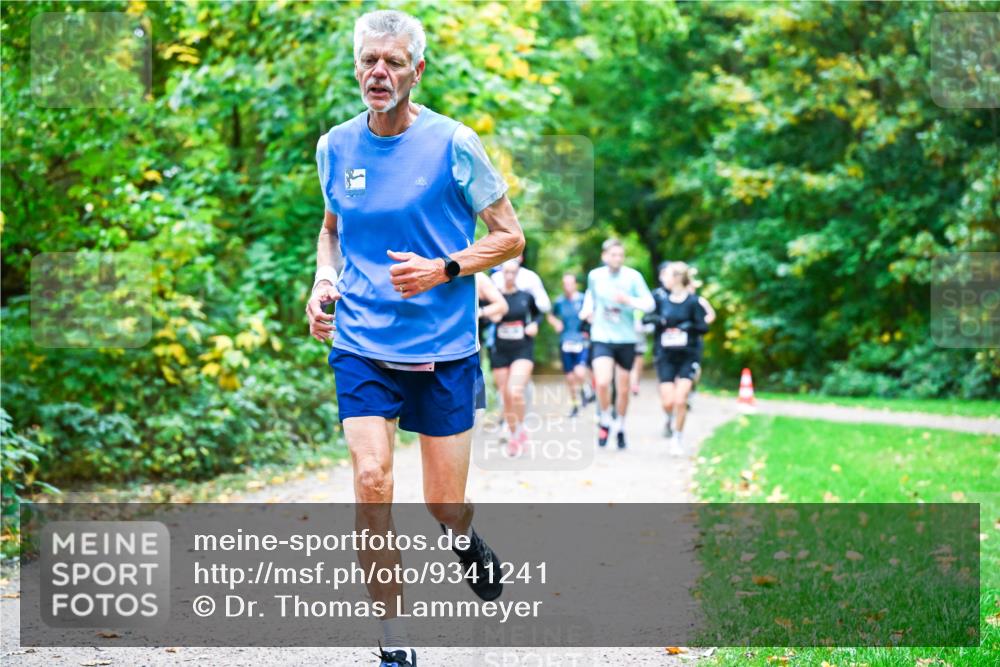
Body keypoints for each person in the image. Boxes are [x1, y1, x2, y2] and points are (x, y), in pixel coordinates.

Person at [304, 11, 525, 667]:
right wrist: (323, 280)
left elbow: (510, 236)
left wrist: (446, 267)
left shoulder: (455, 143)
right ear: (356, 66)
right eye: (370, 60)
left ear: (416, 70)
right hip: (362, 341)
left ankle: (463, 538)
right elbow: (333, 230)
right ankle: (393, 639)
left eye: (394, 62)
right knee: (372, 480)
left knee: (443, 503)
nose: (380, 72)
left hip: (444, 350)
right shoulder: (335, 147)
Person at [579, 238, 655, 449]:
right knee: (602, 382)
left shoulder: (633, 277)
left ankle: (620, 425)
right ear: (605, 256)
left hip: (626, 339)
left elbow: (649, 304)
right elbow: (590, 296)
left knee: (623, 389)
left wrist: (629, 301)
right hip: (602, 336)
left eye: (620, 255)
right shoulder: (595, 276)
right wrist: (587, 310)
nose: (617, 259)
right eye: (613, 255)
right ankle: (604, 418)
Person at [646, 262, 708, 456]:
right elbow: (645, 319)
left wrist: (687, 326)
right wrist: (659, 321)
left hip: (687, 355)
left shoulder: (693, 302)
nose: (664, 278)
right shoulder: (660, 300)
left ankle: (677, 438)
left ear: (678, 278)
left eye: (668, 274)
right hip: (666, 355)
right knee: (668, 401)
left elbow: (703, 327)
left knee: (681, 400)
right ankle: (669, 419)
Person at [489, 259, 541, 456]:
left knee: (515, 391)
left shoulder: (526, 296)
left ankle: (520, 430)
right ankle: (514, 434)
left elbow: (538, 315)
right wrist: (489, 317)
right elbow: (480, 318)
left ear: (518, 273)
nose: (510, 276)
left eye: (513, 272)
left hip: (522, 349)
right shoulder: (494, 297)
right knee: (505, 396)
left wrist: (534, 324)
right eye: (506, 272)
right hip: (500, 350)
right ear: (502, 273)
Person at [547, 271, 594, 418]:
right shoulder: (559, 302)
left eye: (570, 283)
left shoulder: (583, 299)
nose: (568, 287)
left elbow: (593, 313)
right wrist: (556, 323)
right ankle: (575, 404)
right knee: (570, 378)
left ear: (575, 285)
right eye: (565, 284)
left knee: (580, 372)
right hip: (565, 341)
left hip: (581, 339)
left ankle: (586, 389)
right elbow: (550, 315)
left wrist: (590, 320)